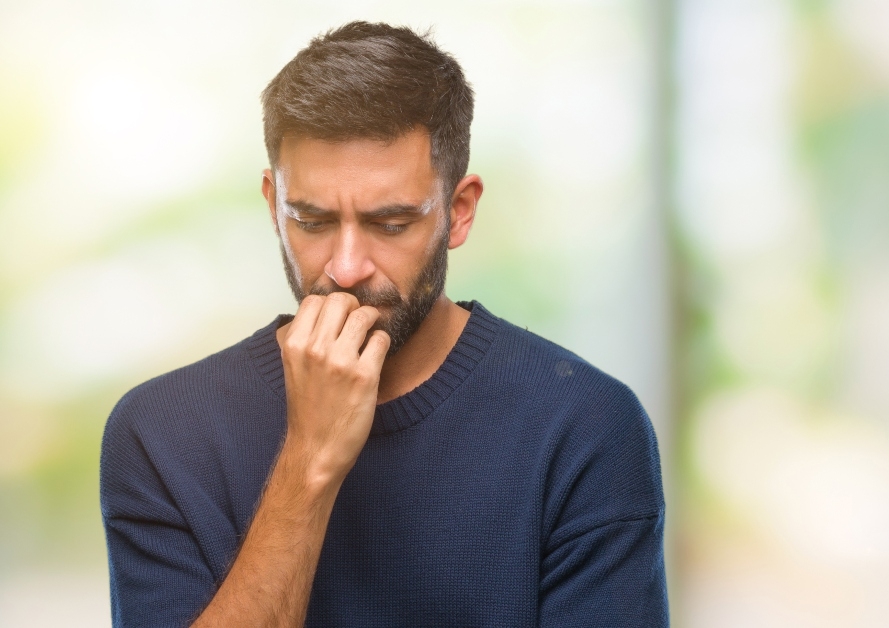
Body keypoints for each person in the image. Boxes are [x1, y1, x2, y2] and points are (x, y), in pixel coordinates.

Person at [100, 21, 667, 627]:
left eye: (391, 224)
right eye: (312, 221)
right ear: (273, 206)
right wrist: (310, 461)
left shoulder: (584, 427)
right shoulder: (161, 433)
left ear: (459, 211)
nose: (345, 269)